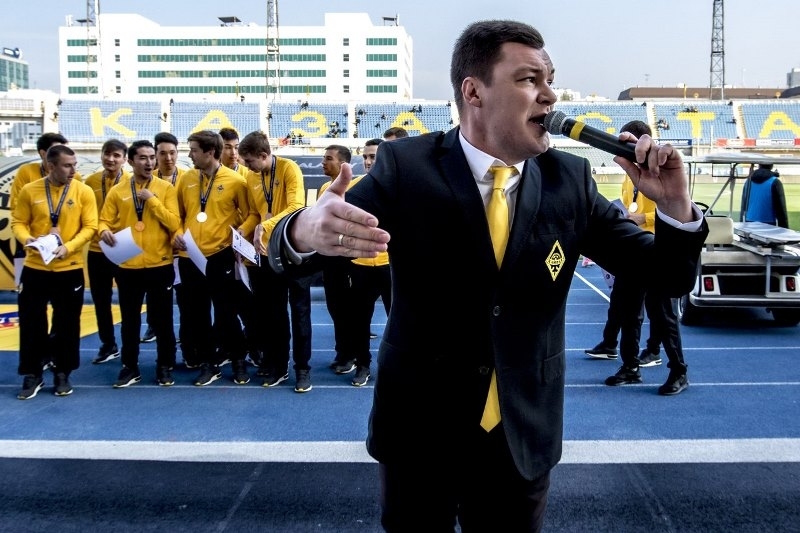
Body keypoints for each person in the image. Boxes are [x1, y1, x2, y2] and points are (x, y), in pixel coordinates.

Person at [266, 20, 708, 531]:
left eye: (550, 80)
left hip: (523, 433)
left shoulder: (570, 179)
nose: (550, 95)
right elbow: (304, 251)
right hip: (420, 431)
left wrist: (675, 205)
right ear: (473, 92)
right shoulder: (406, 166)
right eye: (529, 79)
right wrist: (302, 229)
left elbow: (668, 277)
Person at [590, 120, 691, 396]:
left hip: (658, 251)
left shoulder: (659, 171)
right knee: (628, 312)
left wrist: (641, 218)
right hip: (631, 251)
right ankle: (630, 367)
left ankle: (679, 371)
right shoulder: (629, 174)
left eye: (630, 144)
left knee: (664, 315)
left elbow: (672, 213)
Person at [12, 144, 97, 399]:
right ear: (51, 166)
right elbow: (18, 222)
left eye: (74, 165)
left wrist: (68, 247)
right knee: (31, 322)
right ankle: (32, 373)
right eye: (67, 165)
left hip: (69, 267)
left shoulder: (83, 191)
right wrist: (27, 239)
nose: (73, 170)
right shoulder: (30, 190)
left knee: (67, 323)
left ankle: (62, 372)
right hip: (35, 267)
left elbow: (90, 226)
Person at [98, 140, 181, 387]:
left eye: (152, 158)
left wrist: (152, 201)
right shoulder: (118, 191)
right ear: (131, 161)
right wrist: (103, 231)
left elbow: (174, 223)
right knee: (130, 321)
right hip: (128, 266)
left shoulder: (166, 188)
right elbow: (103, 220)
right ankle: (129, 367)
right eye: (143, 158)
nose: (149, 162)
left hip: (160, 264)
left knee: (163, 320)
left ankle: (165, 365)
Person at [237, 130, 313, 392]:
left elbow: (296, 206)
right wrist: (242, 231)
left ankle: (302, 369)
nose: (247, 167)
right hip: (266, 254)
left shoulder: (289, 168)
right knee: (272, 314)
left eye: (249, 161)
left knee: (300, 313)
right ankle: (277, 365)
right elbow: (253, 213)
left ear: (263, 155)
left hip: (293, 251)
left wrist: (265, 225)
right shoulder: (251, 177)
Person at [173, 130, 251, 386]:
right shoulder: (186, 179)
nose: (190, 155)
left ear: (210, 152)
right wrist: (176, 233)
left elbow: (249, 214)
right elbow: (179, 215)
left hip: (221, 255)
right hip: (190, 256)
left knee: (226, 313)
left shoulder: (235, 181)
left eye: (194, 150)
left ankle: (238, 360)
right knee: (198, 315)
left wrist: (242, 231)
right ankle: (209, 363)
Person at [346, 138, 391, 387]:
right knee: (359, 320)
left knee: (398, 320)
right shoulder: (353, 188)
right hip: (360, 264)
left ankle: (396, 366)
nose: (367, 161)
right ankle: (362, 365)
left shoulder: (401, 187)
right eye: (365, 156)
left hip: (391, 266)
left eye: (373, 156)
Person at [84, 139, 130, 365]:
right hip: (97, 248)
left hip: (125, 248)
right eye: (107, 154)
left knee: (128, 300)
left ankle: (129, 346)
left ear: (125, 159)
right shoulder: (91, 182)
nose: (111, 159)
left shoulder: (132, 181)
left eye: (116, 155)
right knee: (101, 300)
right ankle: (108, 344)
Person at [140, 131, 186, 345]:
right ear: (155, 155)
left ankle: (186, 334)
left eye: (172, 153)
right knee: (154, 295)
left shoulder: (187, 178)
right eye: (163, 153)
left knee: (185, 296)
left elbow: (188, 213)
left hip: (182, 245)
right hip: (156, 248)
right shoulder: (146, 179)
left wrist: (178, 234)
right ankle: (153, 325)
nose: (168, 158)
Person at [317, 144, 357, 374]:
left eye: (328, 158)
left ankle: (351, 354)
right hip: (329, 256)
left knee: (348, 309)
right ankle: (342, 351)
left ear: (343, 164)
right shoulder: (324, 188)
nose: (323, 162)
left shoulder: (356, 187)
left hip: (348, 257)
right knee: (334, 307)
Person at [740, 163, 788, 228]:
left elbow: (743, 204)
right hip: (768, 223)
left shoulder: (748, 182)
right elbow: (781, 209)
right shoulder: (775, 182)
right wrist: (784, 229)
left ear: (759, 165)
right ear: (772, 166)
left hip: (749, 221)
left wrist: (741, 223)